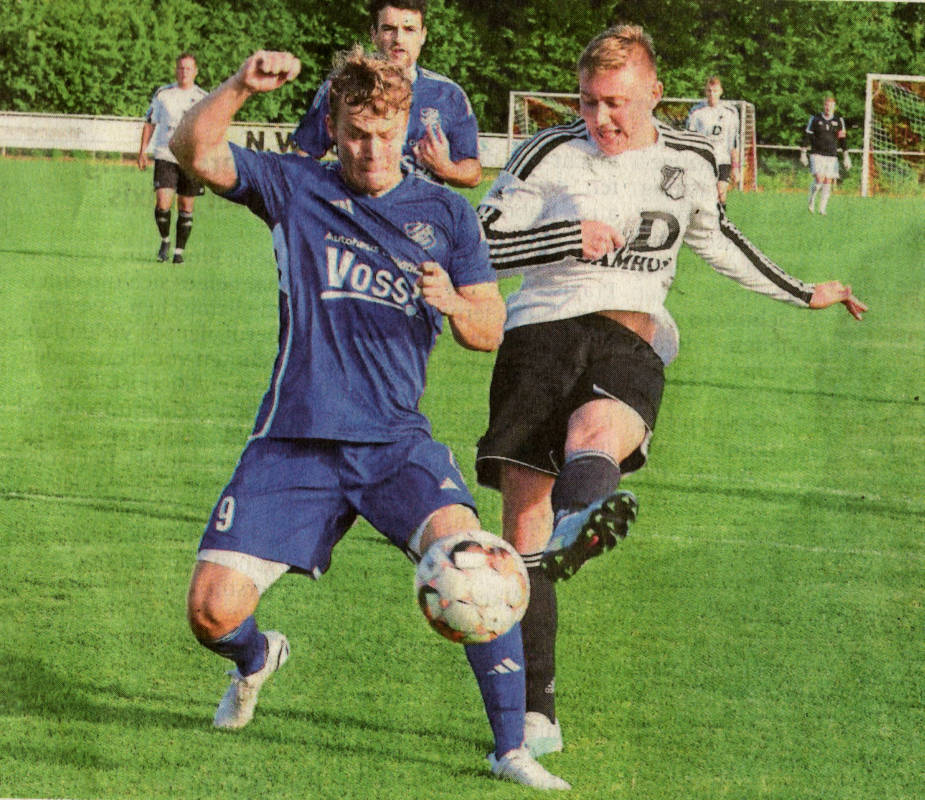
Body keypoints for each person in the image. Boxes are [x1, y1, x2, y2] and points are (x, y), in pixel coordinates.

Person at [170, 47, 569, 791]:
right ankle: (258, 658)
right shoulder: (294, 187)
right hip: (295, 438)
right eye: (355, 132)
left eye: (384, 132)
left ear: (406, 126)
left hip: (392, 443)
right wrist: (238, 87)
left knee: (475, 562)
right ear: (334, 126)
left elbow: (488, 327)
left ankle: (509, 748)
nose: (371, 148)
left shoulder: (445, 212)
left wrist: (454, 302)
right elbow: (192, 149)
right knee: (210, 613)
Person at [474, 24, 868, 758]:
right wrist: (561, 236)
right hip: (538, 337)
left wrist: (802, 290)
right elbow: (480, 240)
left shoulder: (686, 159)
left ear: (656, 92)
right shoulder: (547, 154)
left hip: (630, 333)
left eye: (617, 103)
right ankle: (536, 711)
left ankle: (580, 522)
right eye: (590, 103)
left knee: (598, 435)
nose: (602, 119)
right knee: (521, 531)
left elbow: (717, 237)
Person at [292, 0, 482, 188]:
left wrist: (445, 168)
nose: (398, 39)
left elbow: (473, 173)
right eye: (388, 29)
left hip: (418, 214)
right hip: (355, 213)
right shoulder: (341, 87)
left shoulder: (449, 95)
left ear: (423, 35)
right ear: (373, 34)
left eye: (409, 29)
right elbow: (303, 157)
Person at [137, 53, 208, 263]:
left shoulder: (204, 97)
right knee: (163, 203)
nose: (184, 72)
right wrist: (142, 150)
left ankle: (179, 252)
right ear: (175, 70)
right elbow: (150, 122)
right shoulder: (163, 94)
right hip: (165, 154)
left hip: (190, 159)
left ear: (195, 71)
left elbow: (210, 129)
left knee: (186, 206)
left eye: (188, 68)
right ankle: (165, 240)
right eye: (180, 68)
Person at [685, 75, 740, 208]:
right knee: (706, 197)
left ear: (721, 91)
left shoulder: (730, 112)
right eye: (709, 91)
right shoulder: (697, 112)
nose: (712, 94)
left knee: (721, 194)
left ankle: (720, 224)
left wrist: (736, 167)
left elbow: (733, 143)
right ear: (705, 91)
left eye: (715, 91)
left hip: (722, 160)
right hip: (704, 161)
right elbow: (690, 141)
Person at [800, 92, 851, 215]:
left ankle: (822, 209)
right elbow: (807, 137)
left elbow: (843, 140)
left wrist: (846, 157)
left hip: (831, 156)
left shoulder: (839, 120)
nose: (828, 108)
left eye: (831, 106)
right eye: (826, 105)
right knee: (819, 179)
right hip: (817, 154)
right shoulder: (815, 119)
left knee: (828, 181)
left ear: (834, 107)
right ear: (823, 106)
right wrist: (803, 153)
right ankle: (811, 200)